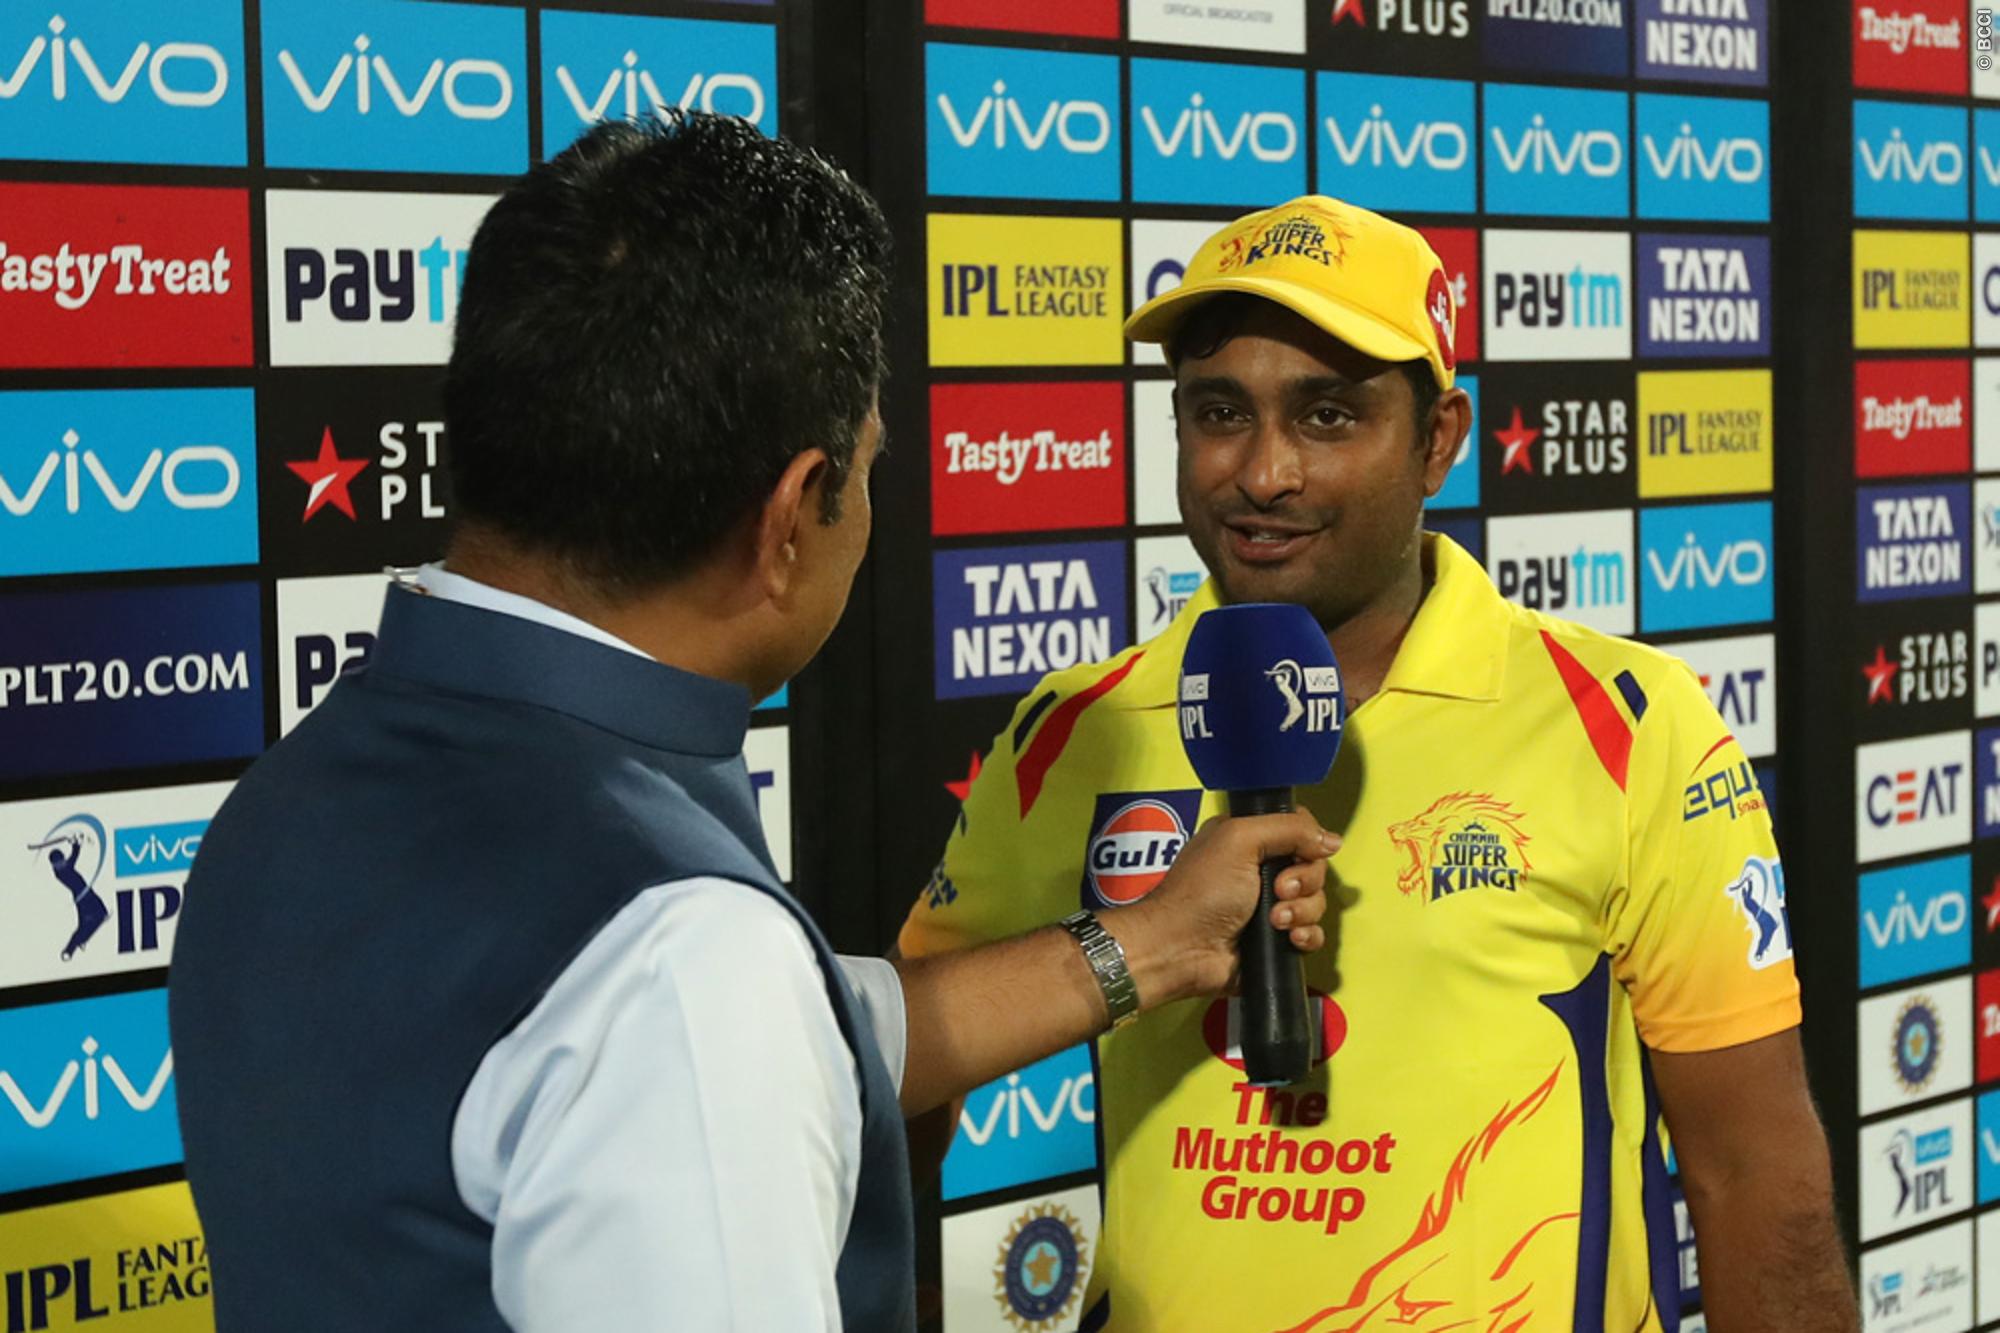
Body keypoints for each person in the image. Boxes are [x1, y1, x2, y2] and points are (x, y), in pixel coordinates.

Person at [166, 114, 1337, 1333]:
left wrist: (1148, 946)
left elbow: (783, 1029)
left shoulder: (290, 797)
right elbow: (694, 1013)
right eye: (867, 467)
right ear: (790, 517)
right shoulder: (685, 962)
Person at [898, 195, 1858, 1332]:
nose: (1263, 473)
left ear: (1438, 439)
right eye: (1219, 411)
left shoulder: (1626, 722)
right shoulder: (1074, 729)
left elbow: (1753, 1169)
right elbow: (896, 1060)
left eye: (1327, 416)